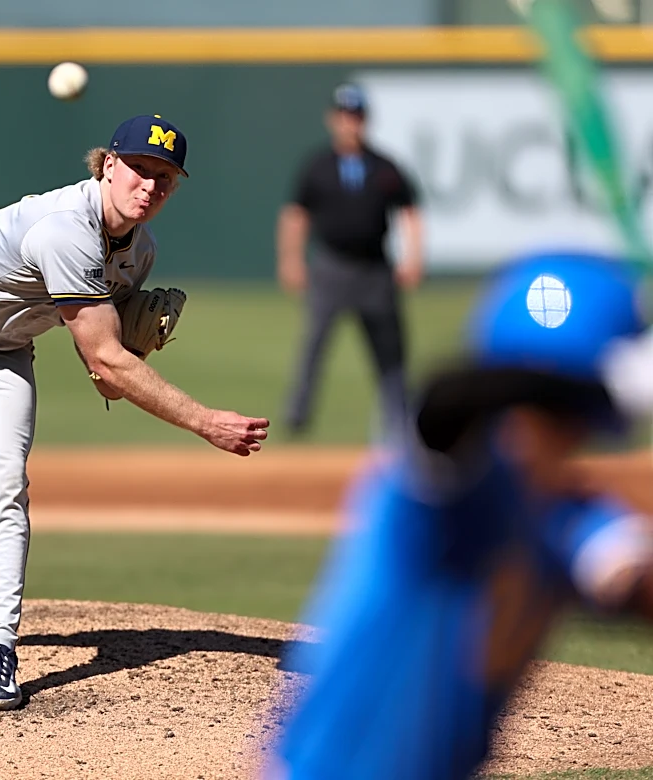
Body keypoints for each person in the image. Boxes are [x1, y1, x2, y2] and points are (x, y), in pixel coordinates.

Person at [0, 114, 269, 710]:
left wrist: (132, 347)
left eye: (165, 178)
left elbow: (106, 381)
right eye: (139, 169)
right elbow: (109, 365)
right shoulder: (65, 228)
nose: (150, 187)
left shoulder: (141, 253)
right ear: (108, 164)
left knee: (6, 484)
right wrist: (205, 420)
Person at [268, 250, 653, 780]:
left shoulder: (565, 514)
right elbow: (446, 403)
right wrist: (600, 380)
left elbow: (625, 571)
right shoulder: (437, 491)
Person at [276, 83, 424, 445]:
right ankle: (296, 419)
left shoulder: (385, 167)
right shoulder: (318, 166)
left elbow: (409, 212)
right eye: (344, 116)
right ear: (332, 120)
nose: (350, 124)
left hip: (375, 268)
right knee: (314, 345)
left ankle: (398, 424)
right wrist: (291, 260)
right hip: (332, 265)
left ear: (365, 121)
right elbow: (295, 215)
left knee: (390, 353)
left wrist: (413, 257)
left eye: (356, 116)